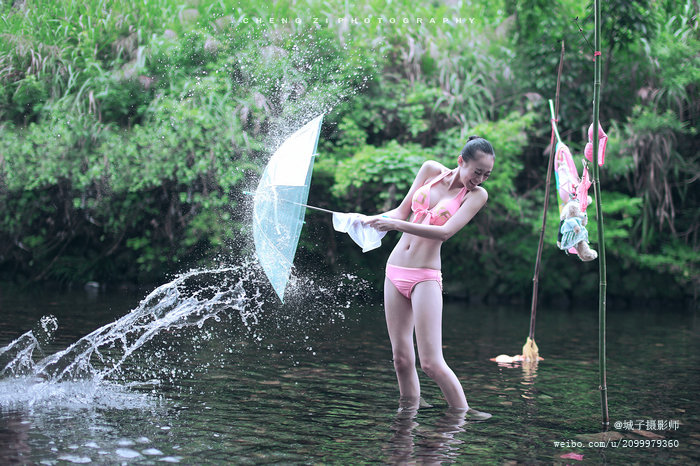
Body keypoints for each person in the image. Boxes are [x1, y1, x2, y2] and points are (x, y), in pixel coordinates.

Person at [363, 136, 495, 417]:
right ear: (462, 162)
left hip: (425, 276)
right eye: (477, 171)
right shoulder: (430, 170)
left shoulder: (476, 196)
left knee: (431, 363)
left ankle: (462, 415)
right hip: (395, 270)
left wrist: (396, 224)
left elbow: (445, 232)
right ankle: (408, 413)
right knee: (400, 359)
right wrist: (365, 218)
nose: (480, 179)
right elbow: (400, 212)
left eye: (486, 174)